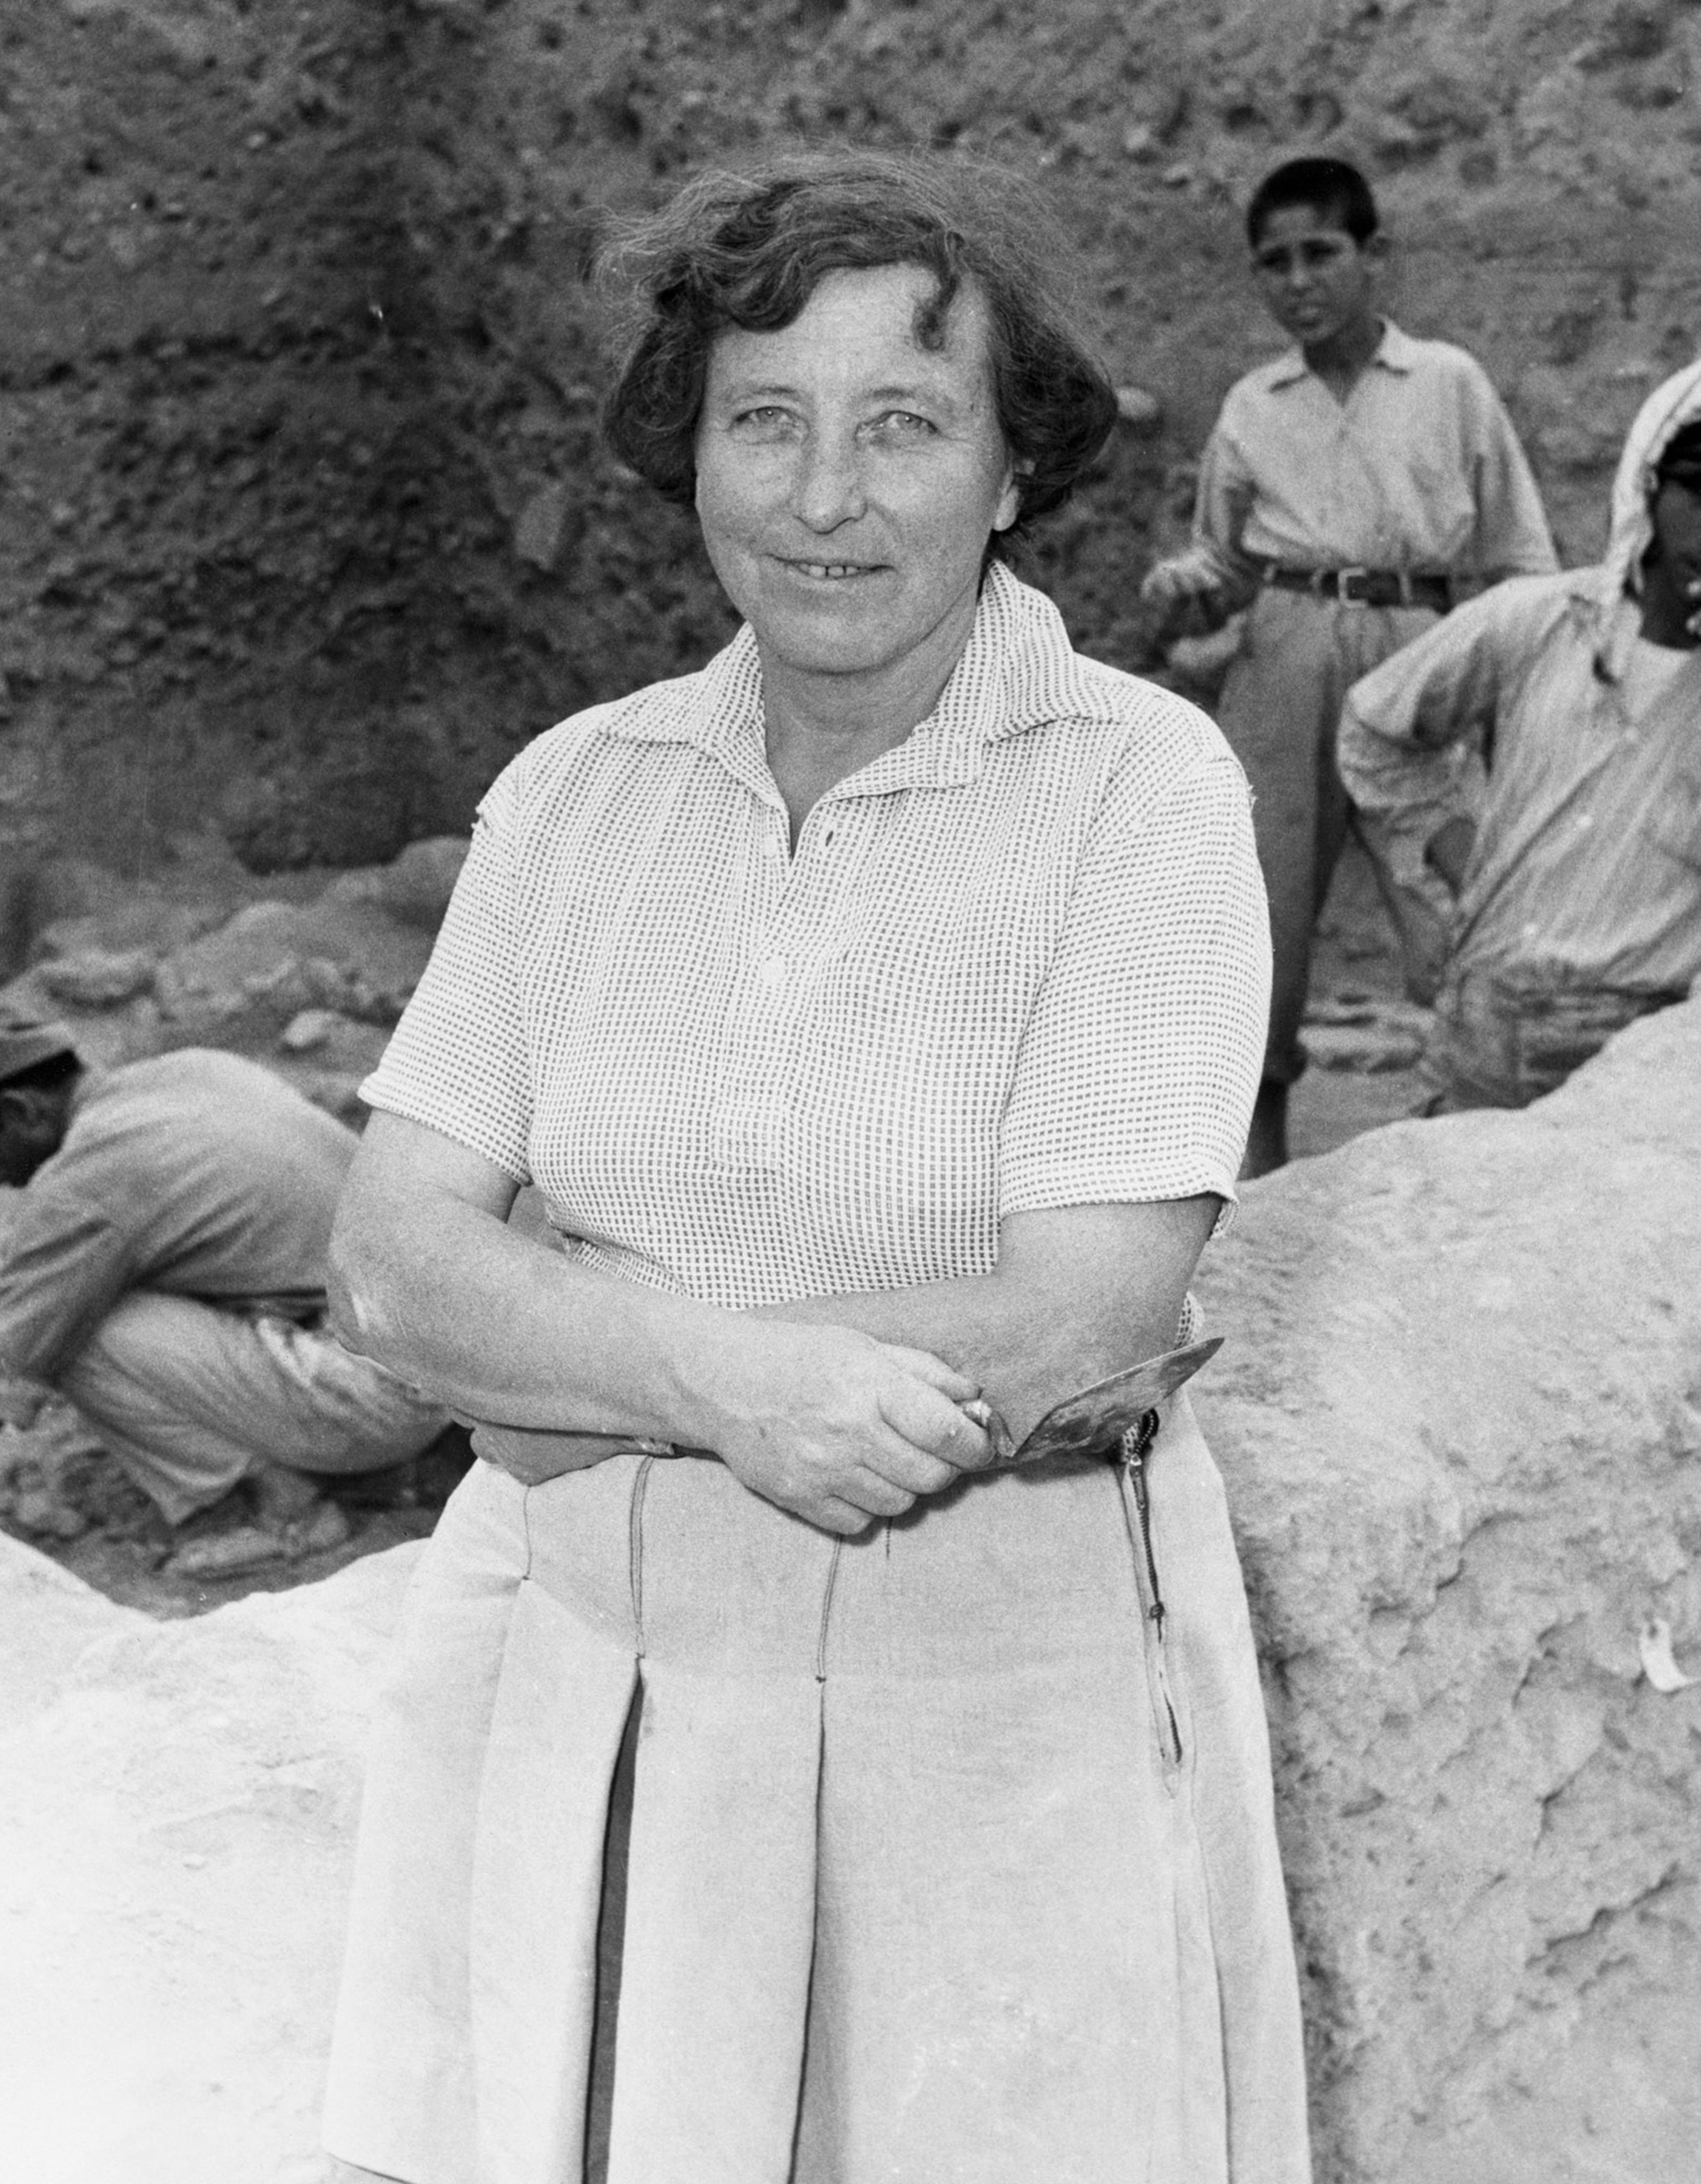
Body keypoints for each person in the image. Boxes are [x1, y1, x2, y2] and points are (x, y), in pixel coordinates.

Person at [322, 151, 1311, 2184]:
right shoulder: (572, 799)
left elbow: (1078, 1313)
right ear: (686, 453)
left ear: (1017, 470)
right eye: (762, 421)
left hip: (993, 1691)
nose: (823, 498)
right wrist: (719, 1383)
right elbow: (391, 1267)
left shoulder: (1139, 792)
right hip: (580, 1672)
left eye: (903, 428)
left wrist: (566, 1359)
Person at [1141, 154, 1557, 1172]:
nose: (1296, 280)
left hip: (1416, 656)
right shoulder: (1253, 404)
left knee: (1454, 896)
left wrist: (1508, 702)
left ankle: (1471, 1151)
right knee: (1256, 915)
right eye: (1271, 262)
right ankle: (1253, 1176)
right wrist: (1192, 591)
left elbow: (1518, 559)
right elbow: (1221, 566)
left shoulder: (1446, 382)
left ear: (1372, 257)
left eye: (1317, 253)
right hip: (1281, 650)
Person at [0, 1005, 452, 1575]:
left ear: (20, 1111)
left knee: (78, 1331)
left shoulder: (86, 1180)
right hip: (446, 1360)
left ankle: (292, 1514)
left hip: (383, 1399)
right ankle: (372, 1469)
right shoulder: (195, 1070)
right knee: (101, 1289)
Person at [1338, 359, 1701, 1110]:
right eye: (1696, 492)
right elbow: (1375, 727)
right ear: (1646, 487)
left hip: (1636, 1056)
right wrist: (1457, 855)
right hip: (1483, 1026)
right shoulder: (1537, 621)